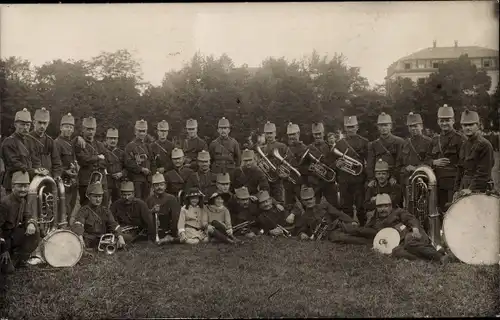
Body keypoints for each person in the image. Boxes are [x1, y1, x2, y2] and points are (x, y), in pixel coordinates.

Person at [349, 193, 449, 263]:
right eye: (380, 207)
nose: (383, 209)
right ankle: (428, 258)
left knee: (410, 242)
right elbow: (367, 230)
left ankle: (439, 257)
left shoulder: (398, 212)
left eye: (386, 206)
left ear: (391, 206)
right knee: (396, 252)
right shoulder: (375, 219)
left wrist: (415, 229)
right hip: (399, 242)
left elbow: (411, 219)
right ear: (376, 208)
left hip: (412, 234)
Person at [424, 104, 466, 212]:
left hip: (454, 184)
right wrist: (434, 162)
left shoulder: (460, 139)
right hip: (436, 184)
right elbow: (426, 160)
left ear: (453, 121)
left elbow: (465, 164)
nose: (444, 123)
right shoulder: (434, 140)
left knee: (454, 211)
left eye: (447, 120)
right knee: (438, 212)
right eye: (442, 121)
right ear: (438, 122)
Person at [0, 171, 40, 274]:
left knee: (34, 232)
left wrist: (31, 223)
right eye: (20, 186)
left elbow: (27, 216)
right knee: (8, 271)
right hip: (3, 240)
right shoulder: (5, 203)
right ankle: (8, 256)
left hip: (12, 236)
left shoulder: (22, 200)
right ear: (13, 187)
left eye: (26, 186)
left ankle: (19, 259)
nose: (23, 189)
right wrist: (3, 250)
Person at [293, 187, 364, 244]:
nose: (309, 201)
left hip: (339, 226)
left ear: (314, 198)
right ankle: (370, 243)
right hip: (331, 234)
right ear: (302, 202)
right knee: (344, 238)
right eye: (306, 200)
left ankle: (374, 235)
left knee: (358, 230)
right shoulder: (304, 216)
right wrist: (302, 234)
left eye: (310, 199)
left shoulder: (324, 206)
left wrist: (352, 221)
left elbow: (339, 214)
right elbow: (301, 230)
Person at [71, 182, 126, 251]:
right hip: (89, 239)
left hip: (102, 238)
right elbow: (78, 224)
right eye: (95, 196)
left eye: (100, 196)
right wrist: (80, 237)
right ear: (89, 196)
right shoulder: (84, 210)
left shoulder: (105, 210)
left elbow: (113, 224)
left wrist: (120, 236)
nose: (98, 199)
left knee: (126, 237)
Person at [335, 116, 369, 225]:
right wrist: (337, 163)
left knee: (361, 205)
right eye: (348, 127)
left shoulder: (364, 142)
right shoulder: (339, 143)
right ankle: (348, 226)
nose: (350, 129)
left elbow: (368, 160)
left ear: (357, 127)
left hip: (359, 178)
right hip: (344, 179)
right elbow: (332, 160)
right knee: (346, 205)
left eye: (352, 127)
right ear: (345, 128)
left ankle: (363, 226)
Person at [1, 108, 43, 195]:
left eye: (28, 125)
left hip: (29, 183)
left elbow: (35, 158)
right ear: (15, 125)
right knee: (14, 208)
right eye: (22, 124)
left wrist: (39, 168)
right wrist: (33, 171)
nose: (25, 128)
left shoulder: (30, 141)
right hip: (14, 183)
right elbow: (14, 163)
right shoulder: (8, 142)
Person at [454, 109, 495, 197]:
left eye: (471, 125)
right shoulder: (464, 144)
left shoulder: (485, 145)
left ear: (478, 126)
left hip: (480, 190)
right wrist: (457, 190)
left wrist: (471, 189)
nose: (468, 128)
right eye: (465, 125)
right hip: (464, 187)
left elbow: (483, 173)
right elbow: (460, 169)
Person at [74, 116, 109, 207]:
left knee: (103, 207)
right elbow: (83, 160)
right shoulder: (79, 143)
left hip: (101, 181)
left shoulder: (99, 145)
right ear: (83, 129)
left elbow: (107, 160)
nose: (90, 132)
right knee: (86, 207)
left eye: (92, 129)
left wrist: (94, 161)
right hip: (86, 181)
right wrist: (98, 157)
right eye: (88, 129)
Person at [397, 112, 432, 203]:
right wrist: (405, 169)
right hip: (408, 181)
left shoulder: (429, 142)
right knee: (409, 205)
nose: (413, 128)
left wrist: (416, 168)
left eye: (416, 126)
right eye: (411, 126)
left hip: (423, 180)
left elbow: (430, 161)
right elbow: (399, 163)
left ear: (421, 126)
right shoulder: (405, 143)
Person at [367, 112, 405, 188]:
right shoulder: (373, 144)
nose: (384, 128)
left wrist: (394, 177)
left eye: (386, 125)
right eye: (381, 125)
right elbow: (370, 164)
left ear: (390, 126)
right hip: (378, 178)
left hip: (394, 177)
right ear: (378, 127)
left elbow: (399, 161)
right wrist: (372, 178)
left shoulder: (399, 142)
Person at [54, 113, 79, 223]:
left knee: (71, 207)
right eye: (66, 126)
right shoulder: (56, 143)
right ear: (61, 128)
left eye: (71, 127)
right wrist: (65, 172)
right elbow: (54, 164)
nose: (69, 129)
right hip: (62, 181)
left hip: (72, 182)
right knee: (62, 207)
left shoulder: (71, 143)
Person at [27, 108, 62, 180]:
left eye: (45, 123)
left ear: (48, 124)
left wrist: (56, 175)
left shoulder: (50, 141)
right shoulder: (26, 139)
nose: (42, 126)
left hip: (48, 178)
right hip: (31, 178)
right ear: (34, 123)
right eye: (39, 122)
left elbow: (56, 162)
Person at [146, 172, 181, 244]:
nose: (159, 187)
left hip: (168, 228)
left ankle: (169, 236)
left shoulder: (171, 198)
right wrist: (152, 211)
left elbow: (175, 217)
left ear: (165, 186)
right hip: (155, 228)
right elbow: (145, 214)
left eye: (161, 185)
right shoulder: (149, 199)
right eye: (156, 185)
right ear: (152, 187)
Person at [124, 119, 152, 200]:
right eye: (140, 131)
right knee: (137, 201)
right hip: (136, 179)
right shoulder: (130, 146)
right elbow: (128, 163)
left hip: (147, 180)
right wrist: (141, 169)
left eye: (144, 131)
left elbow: (152, 161)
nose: (142, 133)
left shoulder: (147, 146)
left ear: (146, 132)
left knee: (146, 201)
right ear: (135, 131)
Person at [104, 128, 128, 205]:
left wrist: (121, 174)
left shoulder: (122, 153)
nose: (113, 141)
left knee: (118, 204)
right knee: (104, 204)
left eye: (115, 138)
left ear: (117, 140)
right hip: (106, 182)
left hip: (118, 183)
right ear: (107, 139)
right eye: (111, 138)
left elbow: (127, 168)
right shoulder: (103, 152)